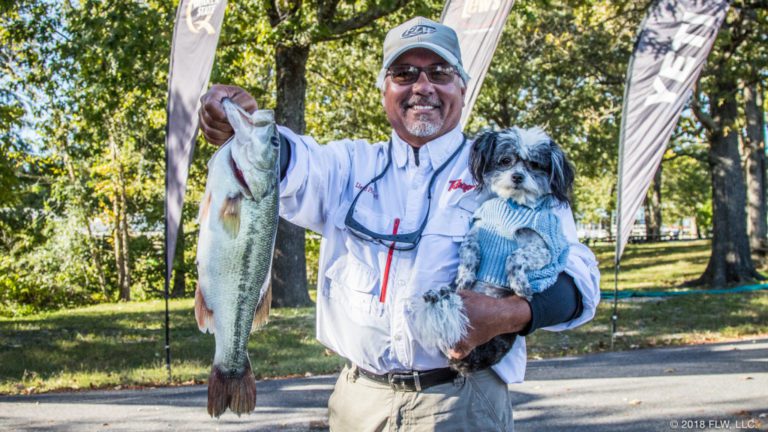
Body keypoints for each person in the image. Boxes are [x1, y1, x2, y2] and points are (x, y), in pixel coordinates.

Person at [198, 16, 600, 432]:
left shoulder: (504, 168)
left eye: (439, 72)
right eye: (404, 73)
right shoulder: (348, 165)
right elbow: (286, 160)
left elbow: (581, 278)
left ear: (462, 86)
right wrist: (239, 121)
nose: (422, 86)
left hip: (464, 403)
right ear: (384, 89)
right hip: (357, 403)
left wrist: (507, 313)